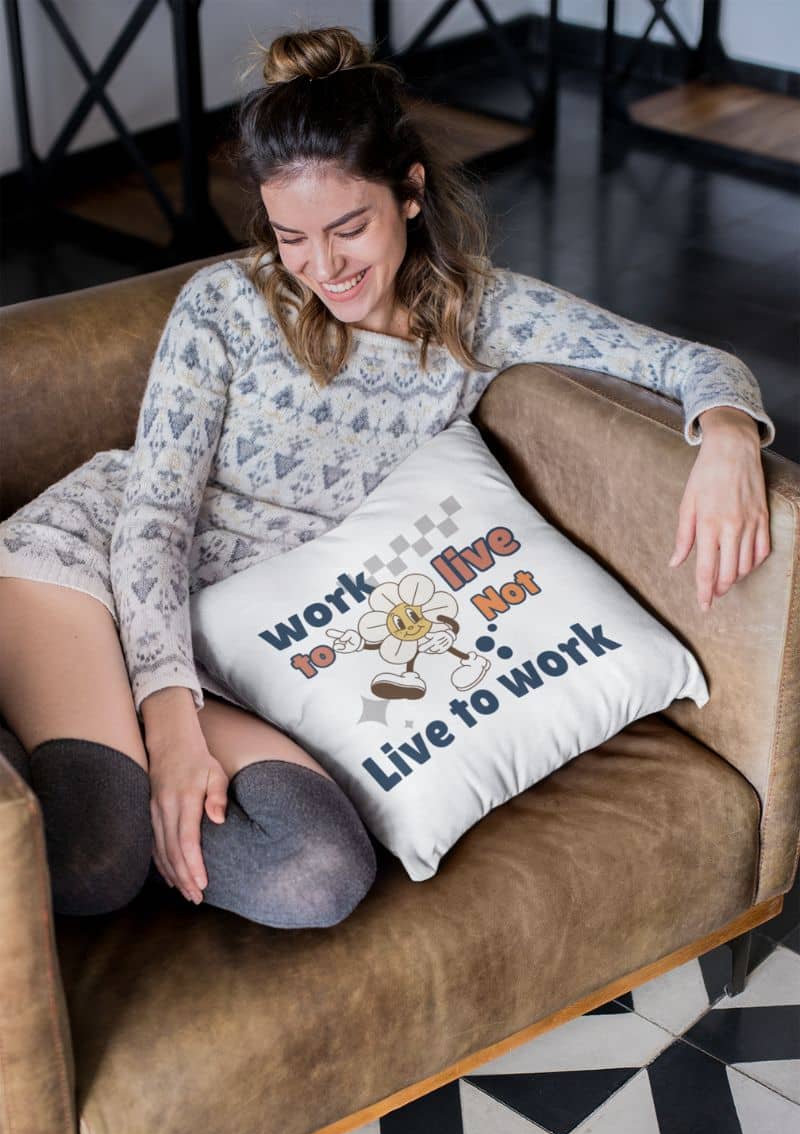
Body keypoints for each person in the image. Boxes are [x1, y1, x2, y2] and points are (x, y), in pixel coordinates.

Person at [0, 26, 775, 925]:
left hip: (247, 638)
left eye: (348, 227)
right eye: (291, 236)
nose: (323, 268)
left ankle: (90, 742)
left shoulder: (482, 316)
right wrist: (169, 729)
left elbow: (691, 362)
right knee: (96, 859)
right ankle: (86, 730)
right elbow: (154, 519)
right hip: (91, 569)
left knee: (316, 874)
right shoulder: (225, 305)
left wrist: (724, 434)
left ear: (409, 191)